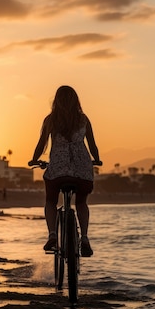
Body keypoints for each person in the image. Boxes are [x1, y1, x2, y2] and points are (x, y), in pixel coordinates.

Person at [28, 85, 100, 257]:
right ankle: (84, 238)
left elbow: (42, 144)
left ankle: (52, 234)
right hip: (82, 171)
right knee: (81, 203)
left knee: (51, 200)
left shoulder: (51, 120)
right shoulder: (83, 120)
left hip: (58, 171)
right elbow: (92, 145)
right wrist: (96, 159)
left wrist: (34, 159)